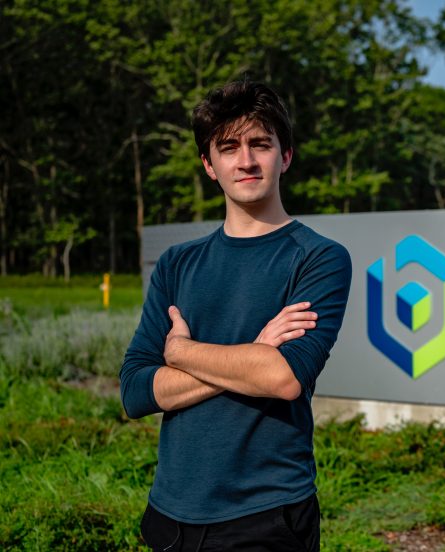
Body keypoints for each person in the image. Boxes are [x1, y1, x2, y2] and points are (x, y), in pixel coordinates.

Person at [119, 80, 352, 551]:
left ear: (284, 156)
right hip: (169, 514)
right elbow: (136, 391)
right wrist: (257, 352)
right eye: (228, 147)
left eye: (260, 144)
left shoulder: (318, 258)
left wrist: (181, 352)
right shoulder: (176, 264)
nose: (245, 160)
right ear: (210, 165)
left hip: (266, 516)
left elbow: (283, 378)